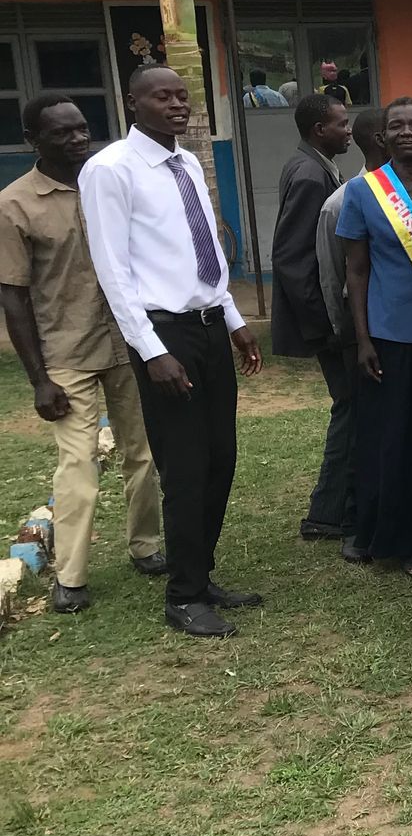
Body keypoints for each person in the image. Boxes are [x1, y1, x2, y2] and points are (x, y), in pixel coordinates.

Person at [80, 66, 262, 636]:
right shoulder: (109, 170)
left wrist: (234, 319)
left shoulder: (185, 163)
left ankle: (199, 573)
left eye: (183, 95)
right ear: (132, 103)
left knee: (220, 458)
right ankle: (183, 596)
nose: (177, 104)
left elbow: (204, 253)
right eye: (162, 96)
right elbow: (113, 270)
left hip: (208, 325)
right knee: (184, 466)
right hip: (164, 334)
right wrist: (152, 350)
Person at [0, 93, 163, 613]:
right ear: (33, 141)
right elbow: (13, 295)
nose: (76, 138)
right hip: (65, 353)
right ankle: (70, 575)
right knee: (78, 465)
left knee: (144, 453)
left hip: (129, 342)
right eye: (61, 132)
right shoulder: (15, 204)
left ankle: (148, 547)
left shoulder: (110, 182)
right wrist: (38, 380)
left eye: (81, 128)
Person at [338, 97, 412, 576]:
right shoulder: (363, 192)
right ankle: (406, 538)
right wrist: (362, 339)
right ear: (383, 136)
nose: (408, 132)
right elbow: (356, 269)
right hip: (391, 330)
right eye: (397, 126)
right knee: (398, 433)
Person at [270, 93, 355, 543]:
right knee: (349, 408)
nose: (349, 130)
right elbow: (293, 257)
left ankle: (336, 505)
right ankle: (326, 512)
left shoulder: (315, 164)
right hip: (324, 320)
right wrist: (323, 323)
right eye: (342, 123)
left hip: (323, 317)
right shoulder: (308, 174)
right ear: (320, 129)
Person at [316, 106, 389, 366]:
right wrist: (342, 329)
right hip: (363, 319)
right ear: (382, 138)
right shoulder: (340, 202)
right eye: (398, 127)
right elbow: (331, 275)